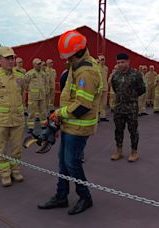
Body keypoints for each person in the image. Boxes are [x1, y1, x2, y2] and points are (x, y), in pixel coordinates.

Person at [38, 30, 102, 215]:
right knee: (63, 163)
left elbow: (82, 106)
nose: (67, 60)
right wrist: (60, 119)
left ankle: (85, 197)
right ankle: (61, 196)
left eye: (69, 57)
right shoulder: (77, 65)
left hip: (79, 127)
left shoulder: (87, 73)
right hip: (70, 124)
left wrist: (59, 113)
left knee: (72, 162)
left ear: (80, 51)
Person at [0, 47, 27, 187]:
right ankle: (4, 173)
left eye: (12, 58)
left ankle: (15, 170)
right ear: (0, 59)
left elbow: (23, 94)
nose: (11, 60)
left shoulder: (20, 76)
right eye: (7, 58)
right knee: (1, 148)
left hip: (17, 119)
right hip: (0, 120)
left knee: (16, 148)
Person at [109, 53, 145, 162]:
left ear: (128, 62)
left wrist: (131, 97)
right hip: (119, 107)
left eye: (122, 62)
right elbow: (115, 89)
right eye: (118, 62)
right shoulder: (115, 75)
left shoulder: (136, 74)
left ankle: (134, 152)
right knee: (118, 130)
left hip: (131, 108)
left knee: (133, 130)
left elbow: (142, 89)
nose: (120, 64)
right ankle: (118, 150)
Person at [25, 58, 48, 132]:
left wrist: (46, 92)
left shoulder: (43, 74)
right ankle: (30, 126)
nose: (39, 65)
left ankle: (44, 124)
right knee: (31, 112)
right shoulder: (29, 73)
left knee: (43, 111)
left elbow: (46, 84)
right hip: (33, 96)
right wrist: (29, 90)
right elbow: (25, 83)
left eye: (40, 64)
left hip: (42, 96)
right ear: (34, 64)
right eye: (38, 64)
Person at [98, 55, 109, 121]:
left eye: (104, 59)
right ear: (99, 60)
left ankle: (103, 116)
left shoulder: (106, 68)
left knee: (104, 103)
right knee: (97, 103)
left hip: (105, 87)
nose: (103, 61)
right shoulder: (96, 67)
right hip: (99, 88)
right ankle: (96, 118)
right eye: (101, 59)